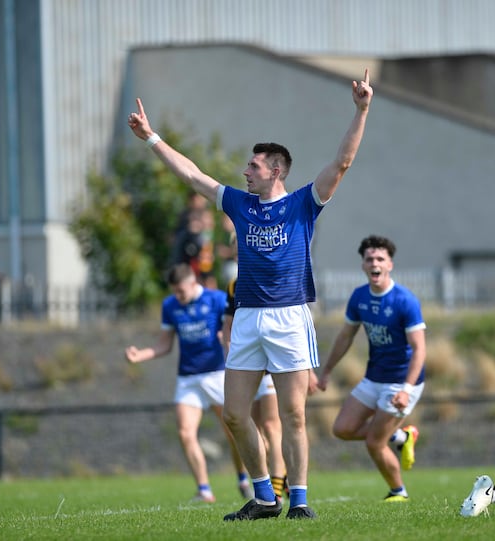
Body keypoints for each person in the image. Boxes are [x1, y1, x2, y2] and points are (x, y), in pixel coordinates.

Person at [127, 69, 374, 520]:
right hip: (246, 318)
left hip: (288, 318)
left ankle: (298, 501)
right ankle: (264, 497)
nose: (245, 172)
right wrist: (151, 138)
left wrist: (361, 110)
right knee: (236, 415)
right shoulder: (239, 204)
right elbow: (192, 174)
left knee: (294, 417)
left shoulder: (303, 202)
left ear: (275, 170)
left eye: (253, 166)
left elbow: (341, 163)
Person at [124, 264, 253, 503]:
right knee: (185, 433)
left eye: (181, 291)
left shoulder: (217, 299)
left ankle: (243, 477)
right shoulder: (170, 306)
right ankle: (204, 489)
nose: (178, 297)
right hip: (188, 378)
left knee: (234, 432)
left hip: (217, 374)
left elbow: (232, 328)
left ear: (194, 284)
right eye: (175, 292)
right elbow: (165, 345)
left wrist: (227, 337)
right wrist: (139, 355)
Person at [316, 235, 425, 502]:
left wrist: (407, 390)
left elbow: (420, 349)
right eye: (369, 259)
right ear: (363, 265)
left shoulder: (404, 301)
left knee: (375, 442)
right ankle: (401, 436)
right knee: (342, 429)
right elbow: (345, 336)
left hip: (401, 382)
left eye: (380, 259)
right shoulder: (359, 297)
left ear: (390, 265)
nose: (374, 263)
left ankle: (398, 492)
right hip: (374, 377)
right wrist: (327, 370)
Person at [221, 248, 288, 502]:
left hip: (271, 364)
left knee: (273, 425)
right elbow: (227, 326)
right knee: (250, 425)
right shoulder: (234, 285)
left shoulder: (274, 275)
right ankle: (270, 482)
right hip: (246, 365)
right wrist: (230, 355)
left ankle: (277, 490)